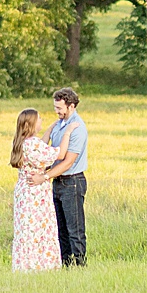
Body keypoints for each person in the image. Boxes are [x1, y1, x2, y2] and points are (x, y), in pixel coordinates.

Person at [9, 107, 61, 272]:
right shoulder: (32, 144)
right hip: (36, 191)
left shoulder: (23, 142)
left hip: (24, 191)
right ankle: (40, 265)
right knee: (38, 228)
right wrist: (67, 135)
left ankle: (24, 264)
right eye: (39, 119)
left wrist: (51, 129)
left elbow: (41, 145)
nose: (41, 121)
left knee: (26, 229)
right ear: (32, 123)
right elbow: (57, 154)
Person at [40, 87, 88, 266]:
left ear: (72, 106)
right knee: (61, 229)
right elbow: (46, 150)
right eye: (55, 107)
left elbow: (68, 162)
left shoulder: (78, 128)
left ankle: (80, 266)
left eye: (60, 108)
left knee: (74, 229)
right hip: (58, 182)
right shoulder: (59, 124)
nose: (56, 111)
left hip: (72, 182)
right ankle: (66, 265)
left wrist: (45, 177)